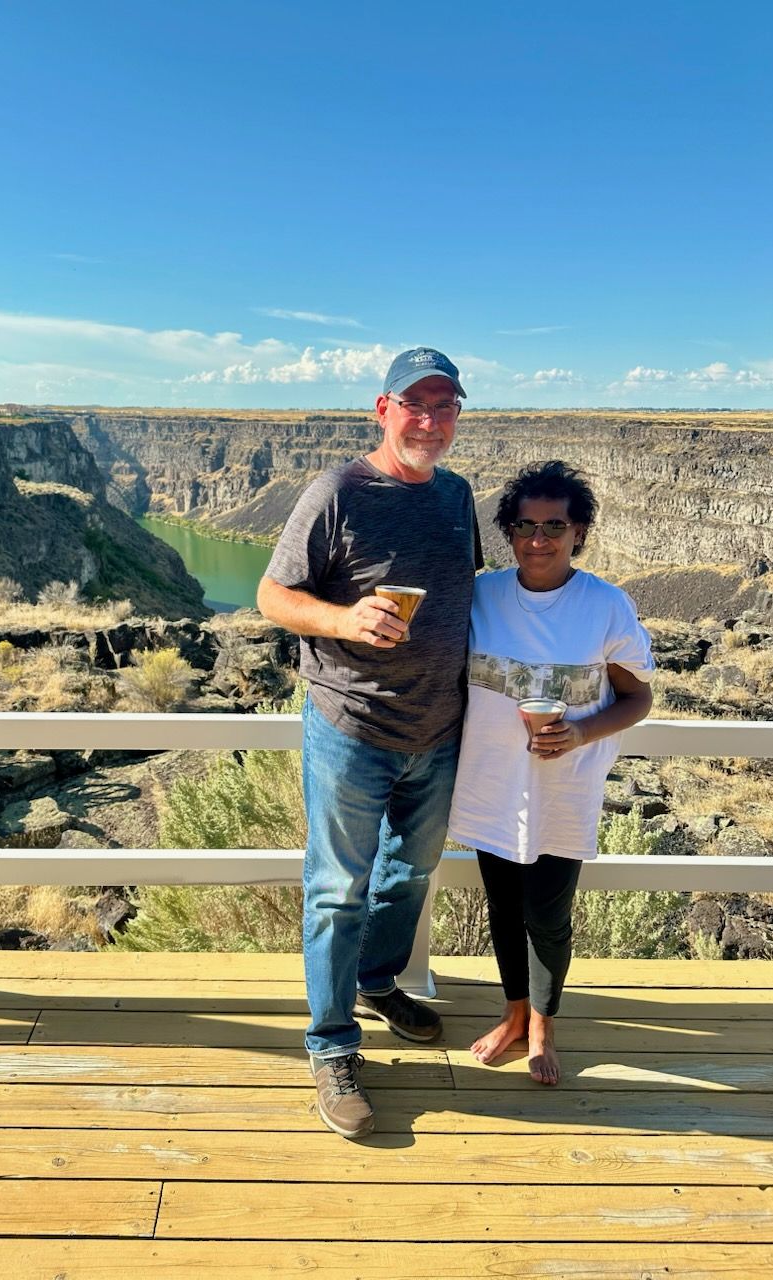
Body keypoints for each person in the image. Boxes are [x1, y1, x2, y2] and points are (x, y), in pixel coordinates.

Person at [257, 347, 482, 1138]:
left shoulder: (457, 495)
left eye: (445, 405)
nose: (430, 420)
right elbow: (273, 594)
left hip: (440, 728)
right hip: (351, 728)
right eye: (414, 405)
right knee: (335, 889)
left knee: (409, 872)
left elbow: (469, 596)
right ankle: (331, 1046)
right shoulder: (336, 493)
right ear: (381, 410)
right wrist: (343, 619)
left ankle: (379, 982)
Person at [447, 460, 654, 1086]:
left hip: (565, 788)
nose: (539, 540)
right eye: (525, 526)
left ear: (579, 531)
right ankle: (512, 1014)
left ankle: (543, 1023)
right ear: (508, 532)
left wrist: (582, 733)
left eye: (554, 526)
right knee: (503, 907)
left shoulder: (605, 606)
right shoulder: (481, 594)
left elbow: (638, 697)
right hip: (489, 783)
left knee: (547, 912)